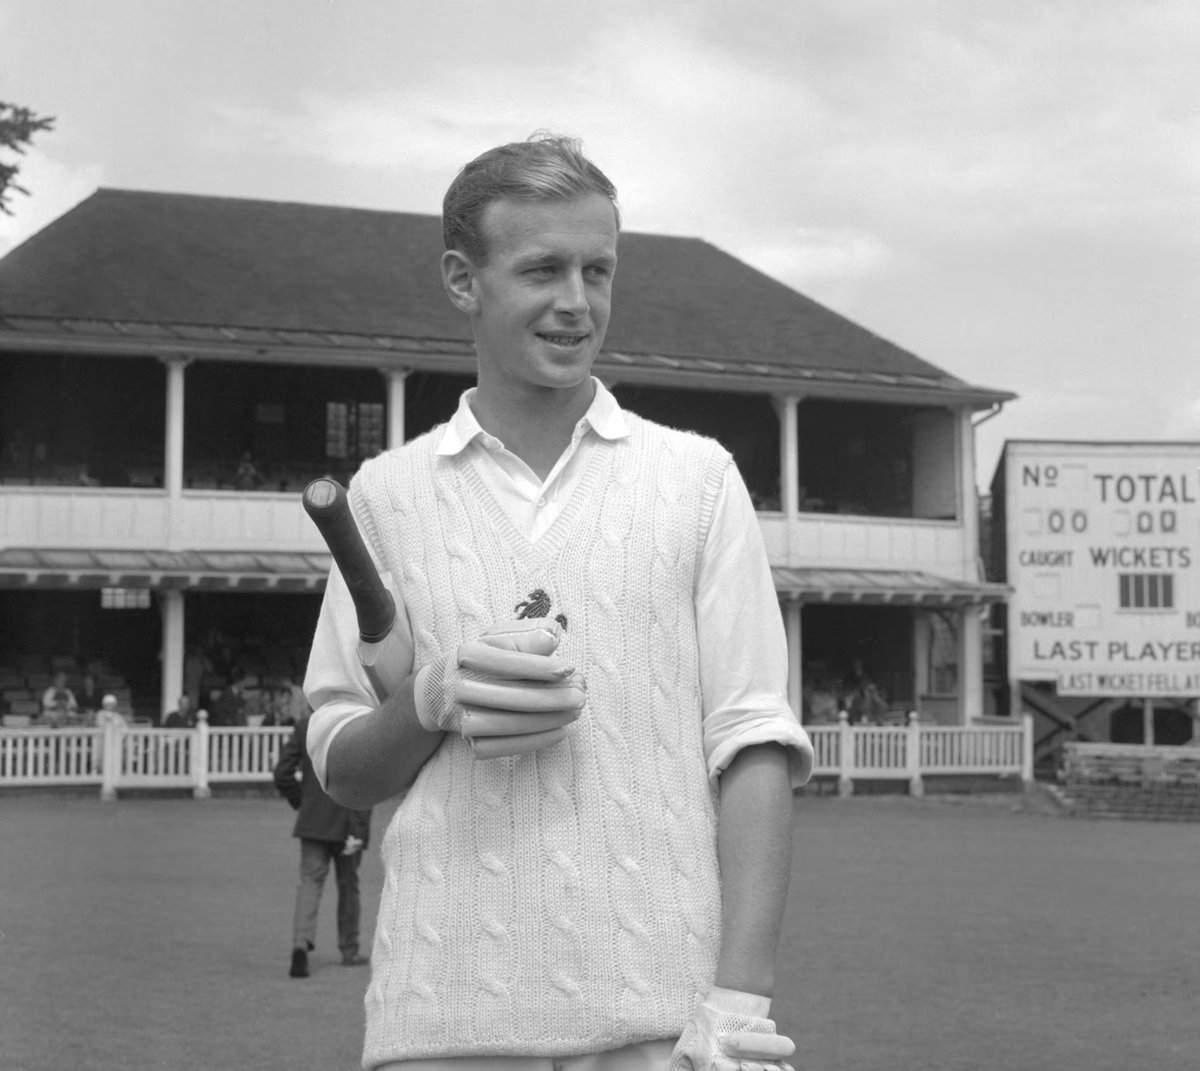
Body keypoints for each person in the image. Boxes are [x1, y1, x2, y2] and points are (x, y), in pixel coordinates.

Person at [303, 134, 813, 1070]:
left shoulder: (697, 480)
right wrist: (431, 698)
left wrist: (738, 1004)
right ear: (465, 280)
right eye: (542, 269)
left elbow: (752, 742)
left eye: (598, 269)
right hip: (442, 1016)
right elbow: (342, 767)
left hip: (661, 1021)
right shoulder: (385, 497)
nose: (576, 302)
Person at [273, 714, 372, 979]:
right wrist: (360, 830)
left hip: (313, 820)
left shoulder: (306, 724)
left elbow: (282, 773)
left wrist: (302, 802)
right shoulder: (358, 720)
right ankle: (349, 949)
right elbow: (365, 781)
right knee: (348, 887)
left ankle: (300, 946)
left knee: (309, 884)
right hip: (348, 819)